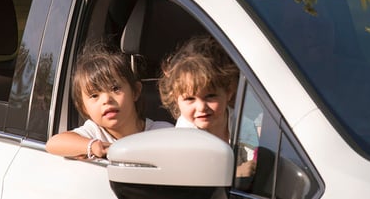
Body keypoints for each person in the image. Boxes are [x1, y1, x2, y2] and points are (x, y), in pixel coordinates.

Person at [46, 42, 172, 159]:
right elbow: (53, 143)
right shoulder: (94, 133)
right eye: (94, 95)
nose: (106, 100)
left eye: (115, 88)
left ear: (135, 91)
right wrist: (92, 146)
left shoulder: (160, 132)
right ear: (84, 107)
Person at [158, 35, 257, 182]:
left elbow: (255, 164)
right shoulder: (182, 137)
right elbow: (191, 179)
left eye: (210, 96)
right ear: (176, 99)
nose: (201, 107)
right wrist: (235, 174)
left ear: (229, 91)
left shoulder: (243, 124)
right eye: (190, 99)